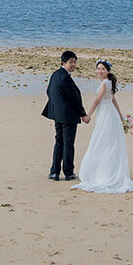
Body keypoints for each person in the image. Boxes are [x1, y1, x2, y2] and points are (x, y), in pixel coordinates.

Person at [71, 59, 133, 194]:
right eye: (98, 68)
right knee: (109, 142)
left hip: (106, 115)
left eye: (102, 69)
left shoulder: (105, 84)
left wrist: (88, 115)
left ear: (108, 71)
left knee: (101, 141)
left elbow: (97, 100)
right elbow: (113, 99)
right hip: (110, 113)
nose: (99, 71)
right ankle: (108, 171)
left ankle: (102, 174)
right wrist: (120, 115)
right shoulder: (110, 82)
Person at [41, 50, 90, 181]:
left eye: (74, 62)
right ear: (63, 62)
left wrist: (57, 106)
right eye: (70, 62)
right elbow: (74, 97)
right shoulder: (65, 78)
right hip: (68, 116)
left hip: (57, 115)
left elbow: (49, 91)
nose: (73, 65)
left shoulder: (55, 75)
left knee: (59, 142)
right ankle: (68, 172)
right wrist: (83, 114)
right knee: (68, 144)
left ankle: (54, 172)